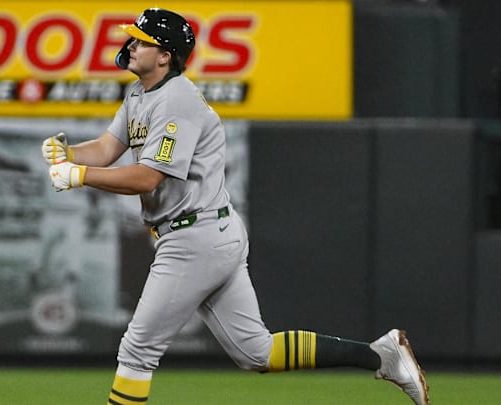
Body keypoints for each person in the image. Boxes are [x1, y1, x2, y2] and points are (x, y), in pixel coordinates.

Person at [43, 8, 430, 405]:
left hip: (194, 237)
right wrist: (68, 152)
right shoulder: (142, 94)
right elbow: (107, 149)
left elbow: (147, 178)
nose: (132, 45)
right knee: (255, 352)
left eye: (143, 41)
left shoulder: (177, 99)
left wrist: (79, 176)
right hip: (209, 231)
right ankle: (378, 355)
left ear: (165, 56)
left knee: (137, 351)